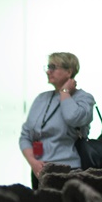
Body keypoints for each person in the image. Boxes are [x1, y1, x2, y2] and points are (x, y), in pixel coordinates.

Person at [19, 52, 95, 187]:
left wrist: (65, 92)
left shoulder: (83, 98)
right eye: (48, 67)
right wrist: (33, 162)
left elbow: (73, 118)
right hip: (39, 170)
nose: (48, 71)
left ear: (69, 71)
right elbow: (25, 136)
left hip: (69, 171)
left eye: (53, 67)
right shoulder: (41, 99)